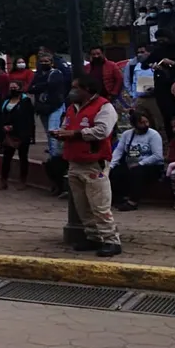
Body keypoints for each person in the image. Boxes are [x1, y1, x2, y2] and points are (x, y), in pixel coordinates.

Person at [53, 75, 121, 257]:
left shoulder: (104, 107)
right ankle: (93, 237)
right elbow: (66, 126)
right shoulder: (71, 108)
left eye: (76, 87)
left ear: (88, 90)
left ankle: (111, 240)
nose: (72, 91)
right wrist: (61, 134)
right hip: (74, 161)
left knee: (99, 205)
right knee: (82, 206)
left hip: (94, 163)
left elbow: (102, 131)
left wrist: (74, 134)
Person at [29, 48, 71, 195]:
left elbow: (51, 86)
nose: (44, 63)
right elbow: (31, 88)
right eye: (42, 62)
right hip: (42, 108)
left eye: (46, 61)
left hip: (55, 106)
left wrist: (39, 86)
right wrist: (40, 85)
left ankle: (56, 156)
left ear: (52, 62)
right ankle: (53, 155)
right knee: (48, 133)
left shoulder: (56, 73)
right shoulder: (39, 74)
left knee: (54, 132)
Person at [109, 110, 165, 211]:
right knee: (116, 172)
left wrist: (140, 163)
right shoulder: (127, 134)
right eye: (142, 123)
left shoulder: (153, 135)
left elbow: (158, 156)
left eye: (146, 122)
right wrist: (111, 165)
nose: (145, 125)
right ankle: (118, 199)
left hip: (150, 166)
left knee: (137, 172)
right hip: (130, 162)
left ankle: (133, 202)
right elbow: (119, 151)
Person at [0, 81, 35, 190]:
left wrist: (19, 128)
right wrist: (4, 126)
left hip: (22, 133)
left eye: (15, 87)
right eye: (11, 87)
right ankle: (3, 181)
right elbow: (2, 115)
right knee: (6, 158)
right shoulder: (6, 100)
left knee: (23, 157)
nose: (13, 89)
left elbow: (28, 119)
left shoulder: (26, 101)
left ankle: (23, 180)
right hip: (8, 134)